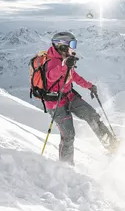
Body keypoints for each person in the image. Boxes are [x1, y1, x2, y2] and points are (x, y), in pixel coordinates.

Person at [44, 31, 118, 165]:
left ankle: (112, 145)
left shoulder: (65, 58)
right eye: (71, 44)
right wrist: (64, 66)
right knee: (68, 136)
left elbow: (74, 76)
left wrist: (89, 86)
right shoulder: (52, 61)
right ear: (62, 46)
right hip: (56, 103)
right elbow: (50, 77)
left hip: (69, 97)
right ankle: (66, 167)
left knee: (92, 116)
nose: (73, 47)